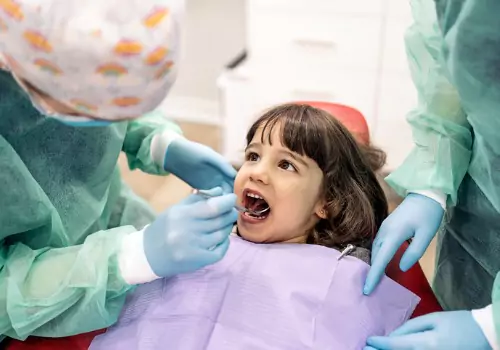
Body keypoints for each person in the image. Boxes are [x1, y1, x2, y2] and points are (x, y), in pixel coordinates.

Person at [88, 103, 420, 350]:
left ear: (326, 202)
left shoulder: (341, 276)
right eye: (252, 156)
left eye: (286, 164)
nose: (256, 172)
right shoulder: (198, 248)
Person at [0, 0, 238, 342]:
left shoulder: (75, 48)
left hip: (109, 221)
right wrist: (126, 259)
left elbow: (106, 88)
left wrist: (159, 142)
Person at [363, 0, 500, 349]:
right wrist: (430, 185)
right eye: (252, 154)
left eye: (286, 164)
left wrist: (491, 327)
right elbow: (450, 67)